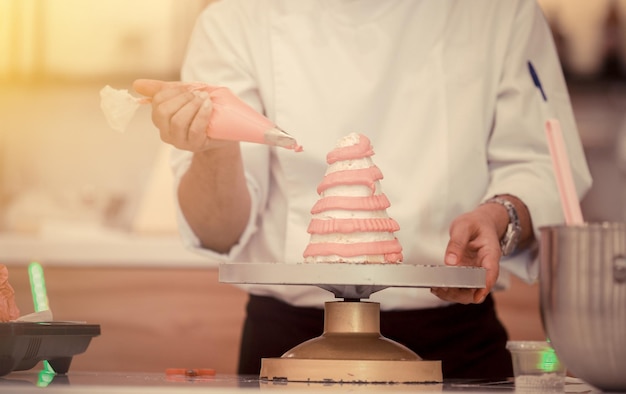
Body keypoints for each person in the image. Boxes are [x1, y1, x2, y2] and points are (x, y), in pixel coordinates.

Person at [133, 0, 592, 379]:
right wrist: (213, 150)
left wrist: (499, 218)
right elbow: (219, 231)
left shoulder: (501, 12)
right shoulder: (235, 20)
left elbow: (543, 167)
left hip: (455, 343)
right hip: (289, 347)